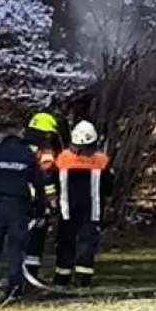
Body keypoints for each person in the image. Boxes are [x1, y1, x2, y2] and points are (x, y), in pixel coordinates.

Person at [54, 120, 114, 288]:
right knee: (87, 243)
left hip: (67, 209)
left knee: (65, 242)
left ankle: (61, 279)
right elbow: (109, 186)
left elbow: (53, 182)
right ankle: (82, 280)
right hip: (92, 210)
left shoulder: (62, 158)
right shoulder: (102, 160)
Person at [0, 122, 46, 303]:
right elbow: (38, 185)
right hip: (18, 206)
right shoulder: (27, 154)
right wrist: (41, 210)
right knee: (16, 250)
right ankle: (15, 290)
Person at [21, 112, 60, 282]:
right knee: (37, 237)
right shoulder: (45, 152)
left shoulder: (20, 147)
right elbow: (47, 179)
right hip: (36, 202)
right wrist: (51, 202)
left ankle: (17, 274)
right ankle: (30, 274)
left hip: (16, 200)